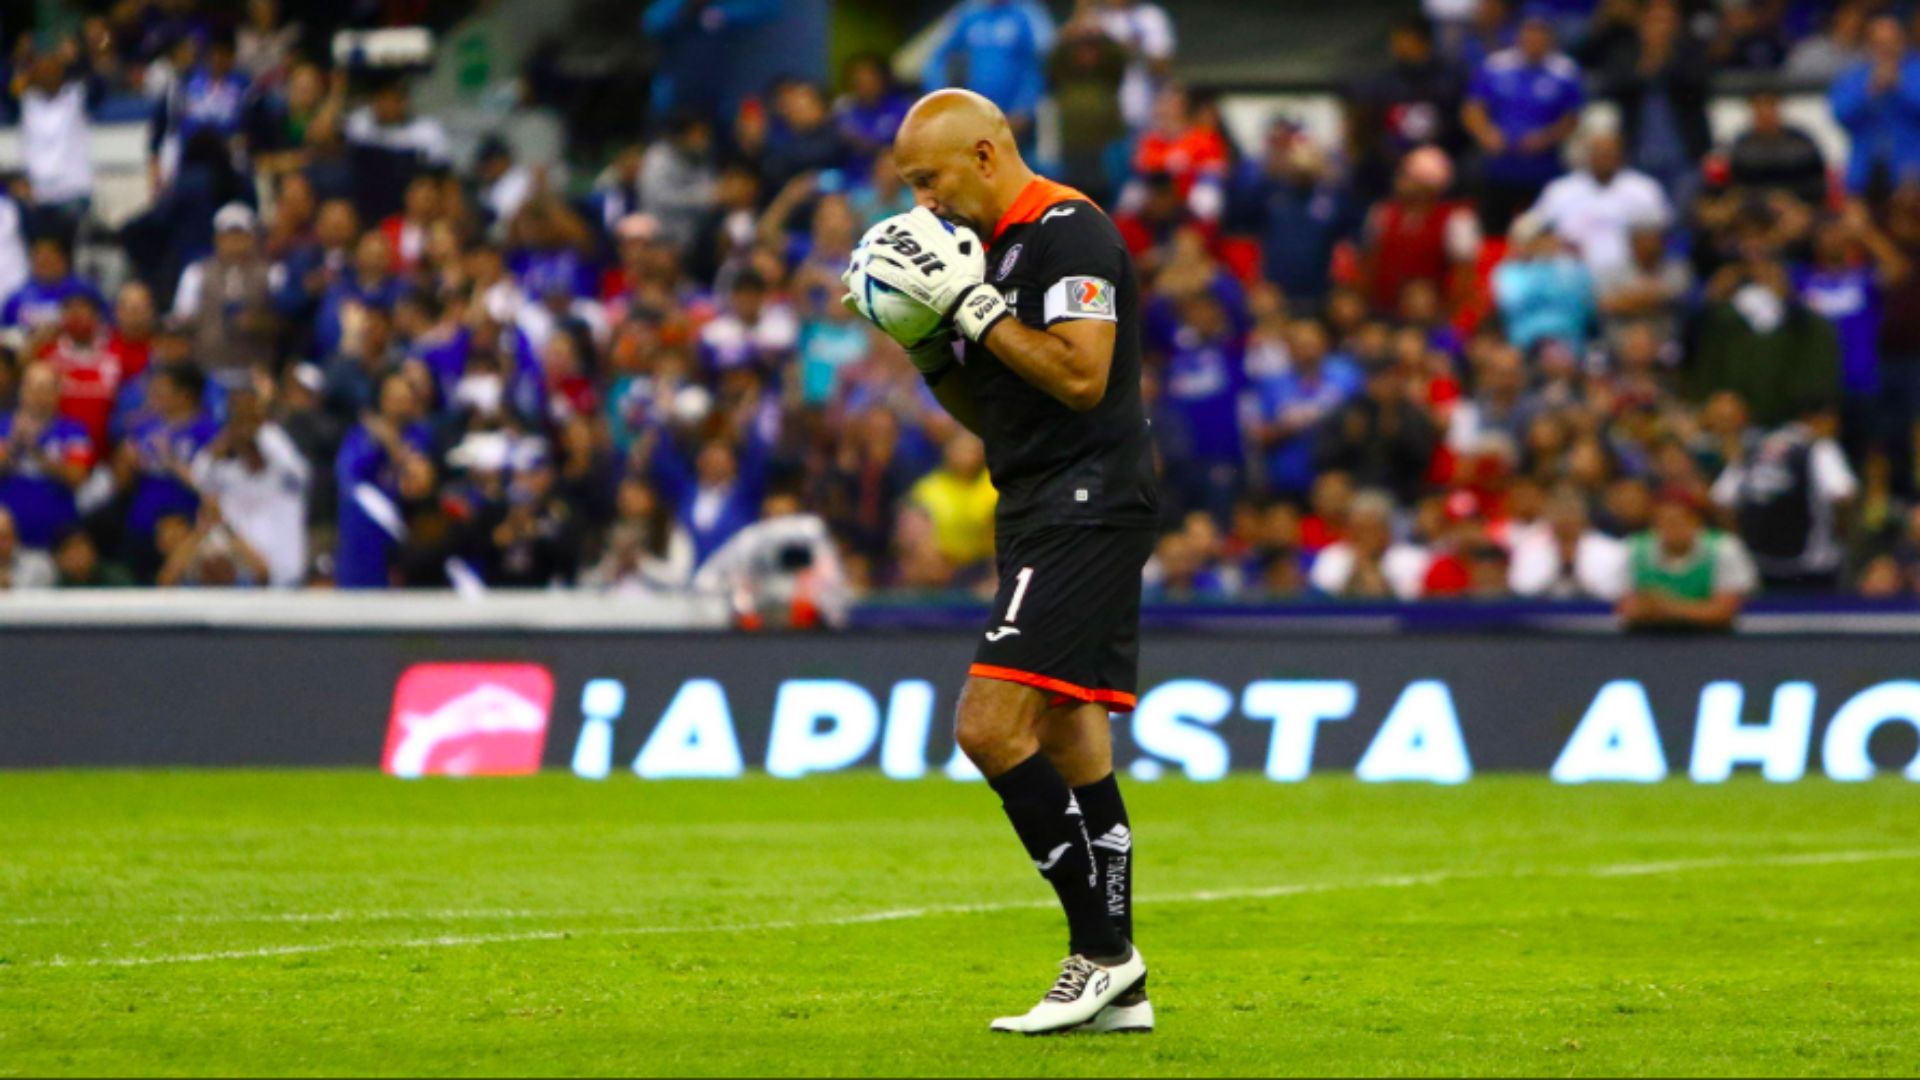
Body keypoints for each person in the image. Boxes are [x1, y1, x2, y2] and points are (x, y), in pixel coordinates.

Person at [847, 88, 1153, 1033]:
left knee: (988, 726)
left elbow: (1079, 373)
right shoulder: (987, 250)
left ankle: (1101, 954)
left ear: (985, 155)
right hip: (1037, 500)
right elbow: (1001, 411)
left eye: (929, 180)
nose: (922, 204)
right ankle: (1121, 988)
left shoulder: (1068, 231)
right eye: (908, 187)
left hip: (1084, 503)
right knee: (1071, 737)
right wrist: (932, 351)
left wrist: (972, 309)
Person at [1462, 8, 1584, 233]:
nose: (1534, 39)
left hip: (1543, 168)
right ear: (1518, 35)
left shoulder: (1564, 70)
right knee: (1494, 230)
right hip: (1499, 165)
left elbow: (1573, 117)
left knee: (1540, 231)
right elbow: (1473, 108)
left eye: (1540, 33)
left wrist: (1547, 137)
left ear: (1549, 37)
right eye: (1529, 33)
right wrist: (1486, 134)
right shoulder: (1496, 66)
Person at [1618, 492, 1758, 631]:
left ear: (1696, 523)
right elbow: (1629, 611)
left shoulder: (1725, 548)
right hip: (1647, 641)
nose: (1670, 529)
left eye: (1677, 521)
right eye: (1662, 521)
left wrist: (1665, 606)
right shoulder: (1633, 549)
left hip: (1713, 641)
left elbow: (1723, 612)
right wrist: (1700, 610)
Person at [1831, 16, 1920, 199]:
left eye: (1891, 42)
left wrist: (1900, 87)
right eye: (1879, 43)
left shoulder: (1916, 73)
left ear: (1903, 42)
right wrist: (1870, 90)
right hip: (1865, 172)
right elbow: (1841, 115)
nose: (1886, 49)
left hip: (1911, 171)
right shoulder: (1854, 77)